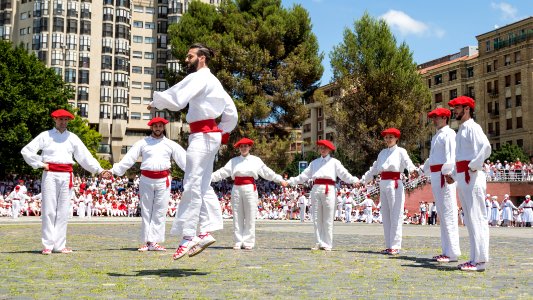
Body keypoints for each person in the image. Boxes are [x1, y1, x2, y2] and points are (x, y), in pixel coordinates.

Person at [148, 43, 238, 260]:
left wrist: (156, 102)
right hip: (210, 135)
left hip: (202, 135)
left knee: (191, 183)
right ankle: (205, 230)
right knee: (202, 184)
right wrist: (221, 132)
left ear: (202, 58)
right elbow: (232, 113)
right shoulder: (214, 81)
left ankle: (189, 235)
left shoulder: (200, 77)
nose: (186, 60)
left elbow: (178, 99)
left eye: (190, 57)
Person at [21, 109, 107, 255]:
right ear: (55, 120)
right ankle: (48, 244)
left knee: (63, 211)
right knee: (49, 209)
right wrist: (40, 164)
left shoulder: (72, 138)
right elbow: (26, 151)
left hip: (66, 175)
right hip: (50, 173)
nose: (63, 122)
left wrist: (99, 170)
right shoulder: (45, 135)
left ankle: (60, 245)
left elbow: (84, 157)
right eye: (60, 119)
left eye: (66, 120)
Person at [108, 117, 186, 252]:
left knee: (160, 211)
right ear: (151, 127)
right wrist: (114, 170)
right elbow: (129, 158)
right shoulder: (142, 143)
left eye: (160, 126)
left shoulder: (170, 144)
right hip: (146, 179)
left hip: (163, 180)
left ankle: (154, 242)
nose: (158, 128)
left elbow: (184, 160)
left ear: (163, 128)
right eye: (155, 126)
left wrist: (196, 172)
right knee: (146, 211)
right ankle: (146, 241)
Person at [211, 138, 285, 250]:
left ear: (250, 147)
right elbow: (222, 172)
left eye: (246, 146)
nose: (244, 148)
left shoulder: (256, 160)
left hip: (250, 187)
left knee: (250, 215)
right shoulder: (233, 161)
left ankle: (248, 241)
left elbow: (267, 172)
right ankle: (238, 240)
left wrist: (279, 179)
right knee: (237, 215)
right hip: (236, 187)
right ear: (239, 148)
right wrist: (209, 178)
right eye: (241, 146)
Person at [445, 96, 491, 272]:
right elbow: (461, 159)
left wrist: (473, 166)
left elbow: (486, 148)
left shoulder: (473, 127)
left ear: (466, 109)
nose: (454, 111)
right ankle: (474, 258)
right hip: (464, 176)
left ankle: (480, 260)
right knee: (470, 219)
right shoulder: (462, 130)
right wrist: (455, 176)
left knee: (477, 217)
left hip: (472, 176)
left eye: (457, 108)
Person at [287, 140, 359, 251]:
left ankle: (327, 243)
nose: (323, 150)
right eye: (321, 147)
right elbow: (303, 176)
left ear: (329, 149)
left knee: (328, 217)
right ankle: (318, 241)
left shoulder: (334, 162)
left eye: (325, 148)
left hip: (329, 188)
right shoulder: (314, 163)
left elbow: (344, 174)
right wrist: (291, 181)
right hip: (316, 188)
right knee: (316, 217)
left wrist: (354, 180)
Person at [361, 128, 418, 255]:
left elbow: (408, 163)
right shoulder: (382, 153)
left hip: (395, 183)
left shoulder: (401, 151)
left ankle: (396, 245)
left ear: (396, 138)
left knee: (396, 214)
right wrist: (363, 180)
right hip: (383, 183)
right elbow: (374, 169)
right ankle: (389, 245)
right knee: (385, 215)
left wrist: (412, 170)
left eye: (391, 137)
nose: (388, 139)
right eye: (386, 137)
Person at [423, 107, 461, 263]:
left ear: (445, 118)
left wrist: (449, 174)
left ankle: (452, 251)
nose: (434, 120)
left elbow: (451, 156)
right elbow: (432, 158)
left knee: (448, 212)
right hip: (436, 175)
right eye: (433, 118)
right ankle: (446, 250)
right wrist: (422, 170)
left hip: (444, 176)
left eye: (437, 117)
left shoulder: (450, 134)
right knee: (442, 214)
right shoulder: (436, 136)